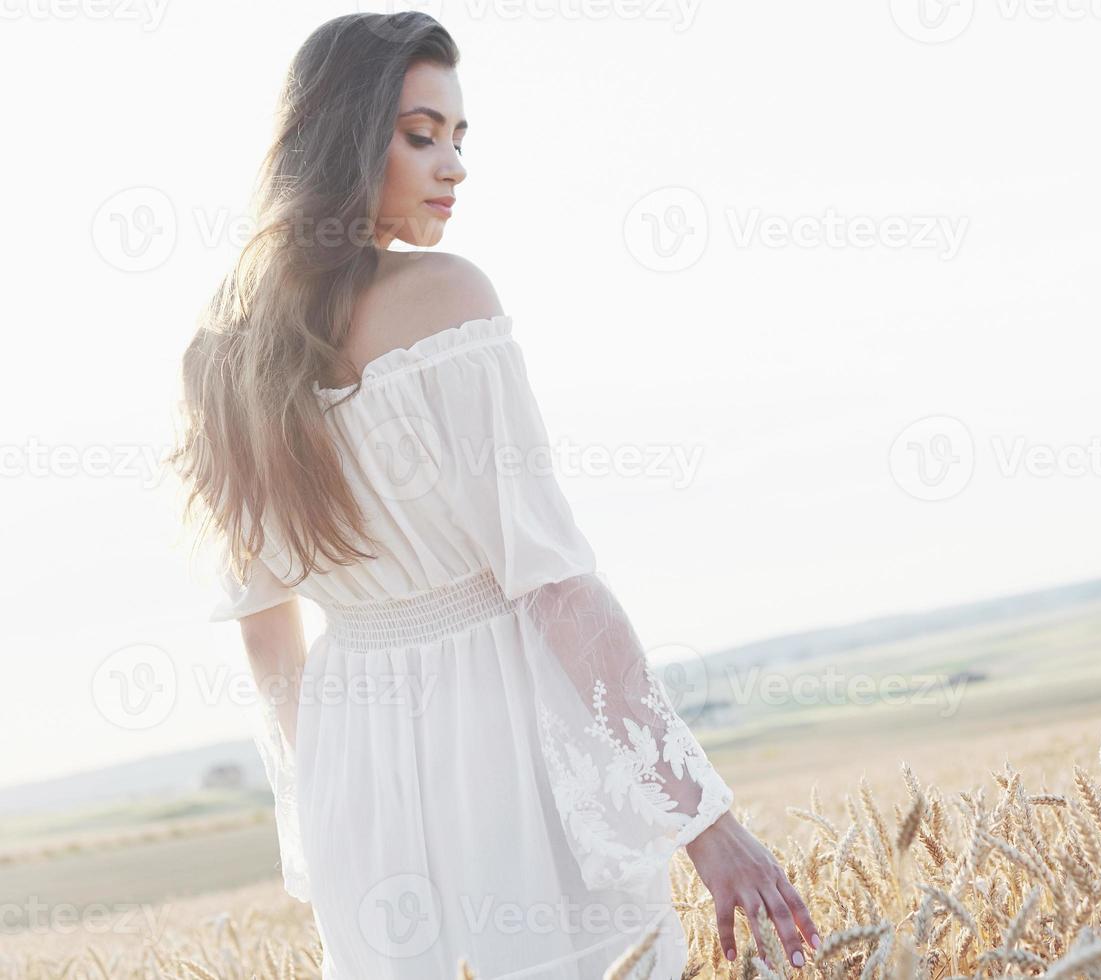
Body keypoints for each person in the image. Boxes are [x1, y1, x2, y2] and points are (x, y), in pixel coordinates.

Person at [164, 12, 820, 977]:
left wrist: (353, 785)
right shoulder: (449, 297)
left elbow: (268, 639)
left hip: (349, 768)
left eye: (461, 139)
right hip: (500, 740)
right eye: (421, 134)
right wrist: (706, 822)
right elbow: (552, 585)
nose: (454, 166)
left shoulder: (214, 364)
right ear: (343, 137)